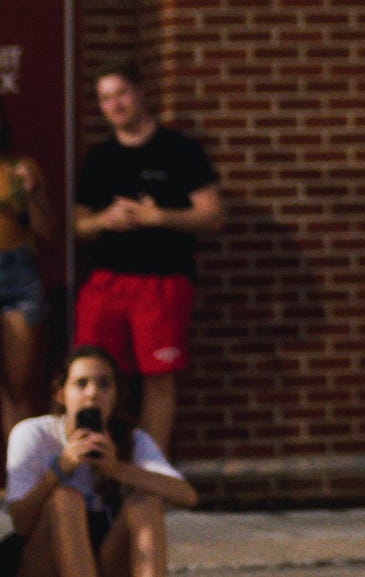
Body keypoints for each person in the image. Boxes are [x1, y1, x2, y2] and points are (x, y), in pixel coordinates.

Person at [72, 67, 222, 452]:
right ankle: (91, 463)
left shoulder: (179, 150)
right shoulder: (100, 157)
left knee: (158, 377)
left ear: (140, 92)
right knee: (92, 373)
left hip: (162, 281)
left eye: (121, 93)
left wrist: (160, 217)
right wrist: (105, 220)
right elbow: (79, 224)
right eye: (106, 98)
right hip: (108, 280)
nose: (115, 105)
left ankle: (149, 474)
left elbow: (212, 215)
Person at [3, 345, 195, 577]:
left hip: (104, 557)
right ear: (61, 394)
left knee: (145, 503)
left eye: (104, 384)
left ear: (115, 396)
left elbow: (187, 496)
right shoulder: (33, 434)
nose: (92, 393)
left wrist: (116, 469)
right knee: (65, 498)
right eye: (81, 383)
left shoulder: (130, 438)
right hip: (42, 558)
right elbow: (21, 524)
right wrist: (60, 468)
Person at [0, 106, 52, 442]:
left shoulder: (19, 168)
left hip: (17, 274)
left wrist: (32, 194)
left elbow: (47, 233)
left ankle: (17, 483)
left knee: (15, 389)